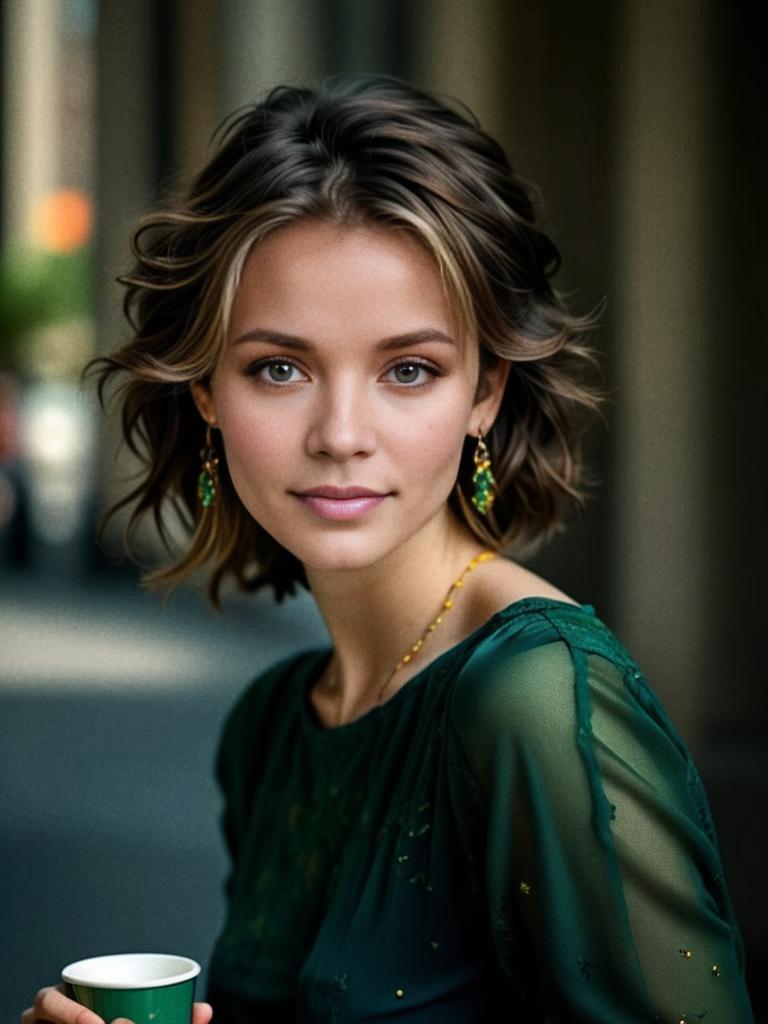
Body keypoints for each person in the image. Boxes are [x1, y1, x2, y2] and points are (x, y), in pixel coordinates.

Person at [23, 74, 755, 1024]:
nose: (339, 432)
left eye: (408, 370)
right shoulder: (272, 730)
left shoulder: (540, 702)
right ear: (206, 389)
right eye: (278, 368)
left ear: (486, 391)